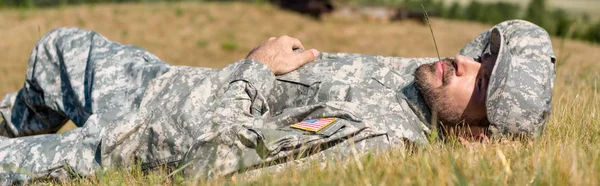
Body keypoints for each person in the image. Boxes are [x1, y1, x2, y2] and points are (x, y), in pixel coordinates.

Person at [0, 19, 555, 184]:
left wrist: (254, 70)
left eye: (482, 86)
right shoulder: (423, 85)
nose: (465, 64)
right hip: (161, 85)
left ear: (478, 135)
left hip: (135, 142)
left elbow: (213, 156)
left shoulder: (375, 135)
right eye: (482, 57)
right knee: (60, 50)